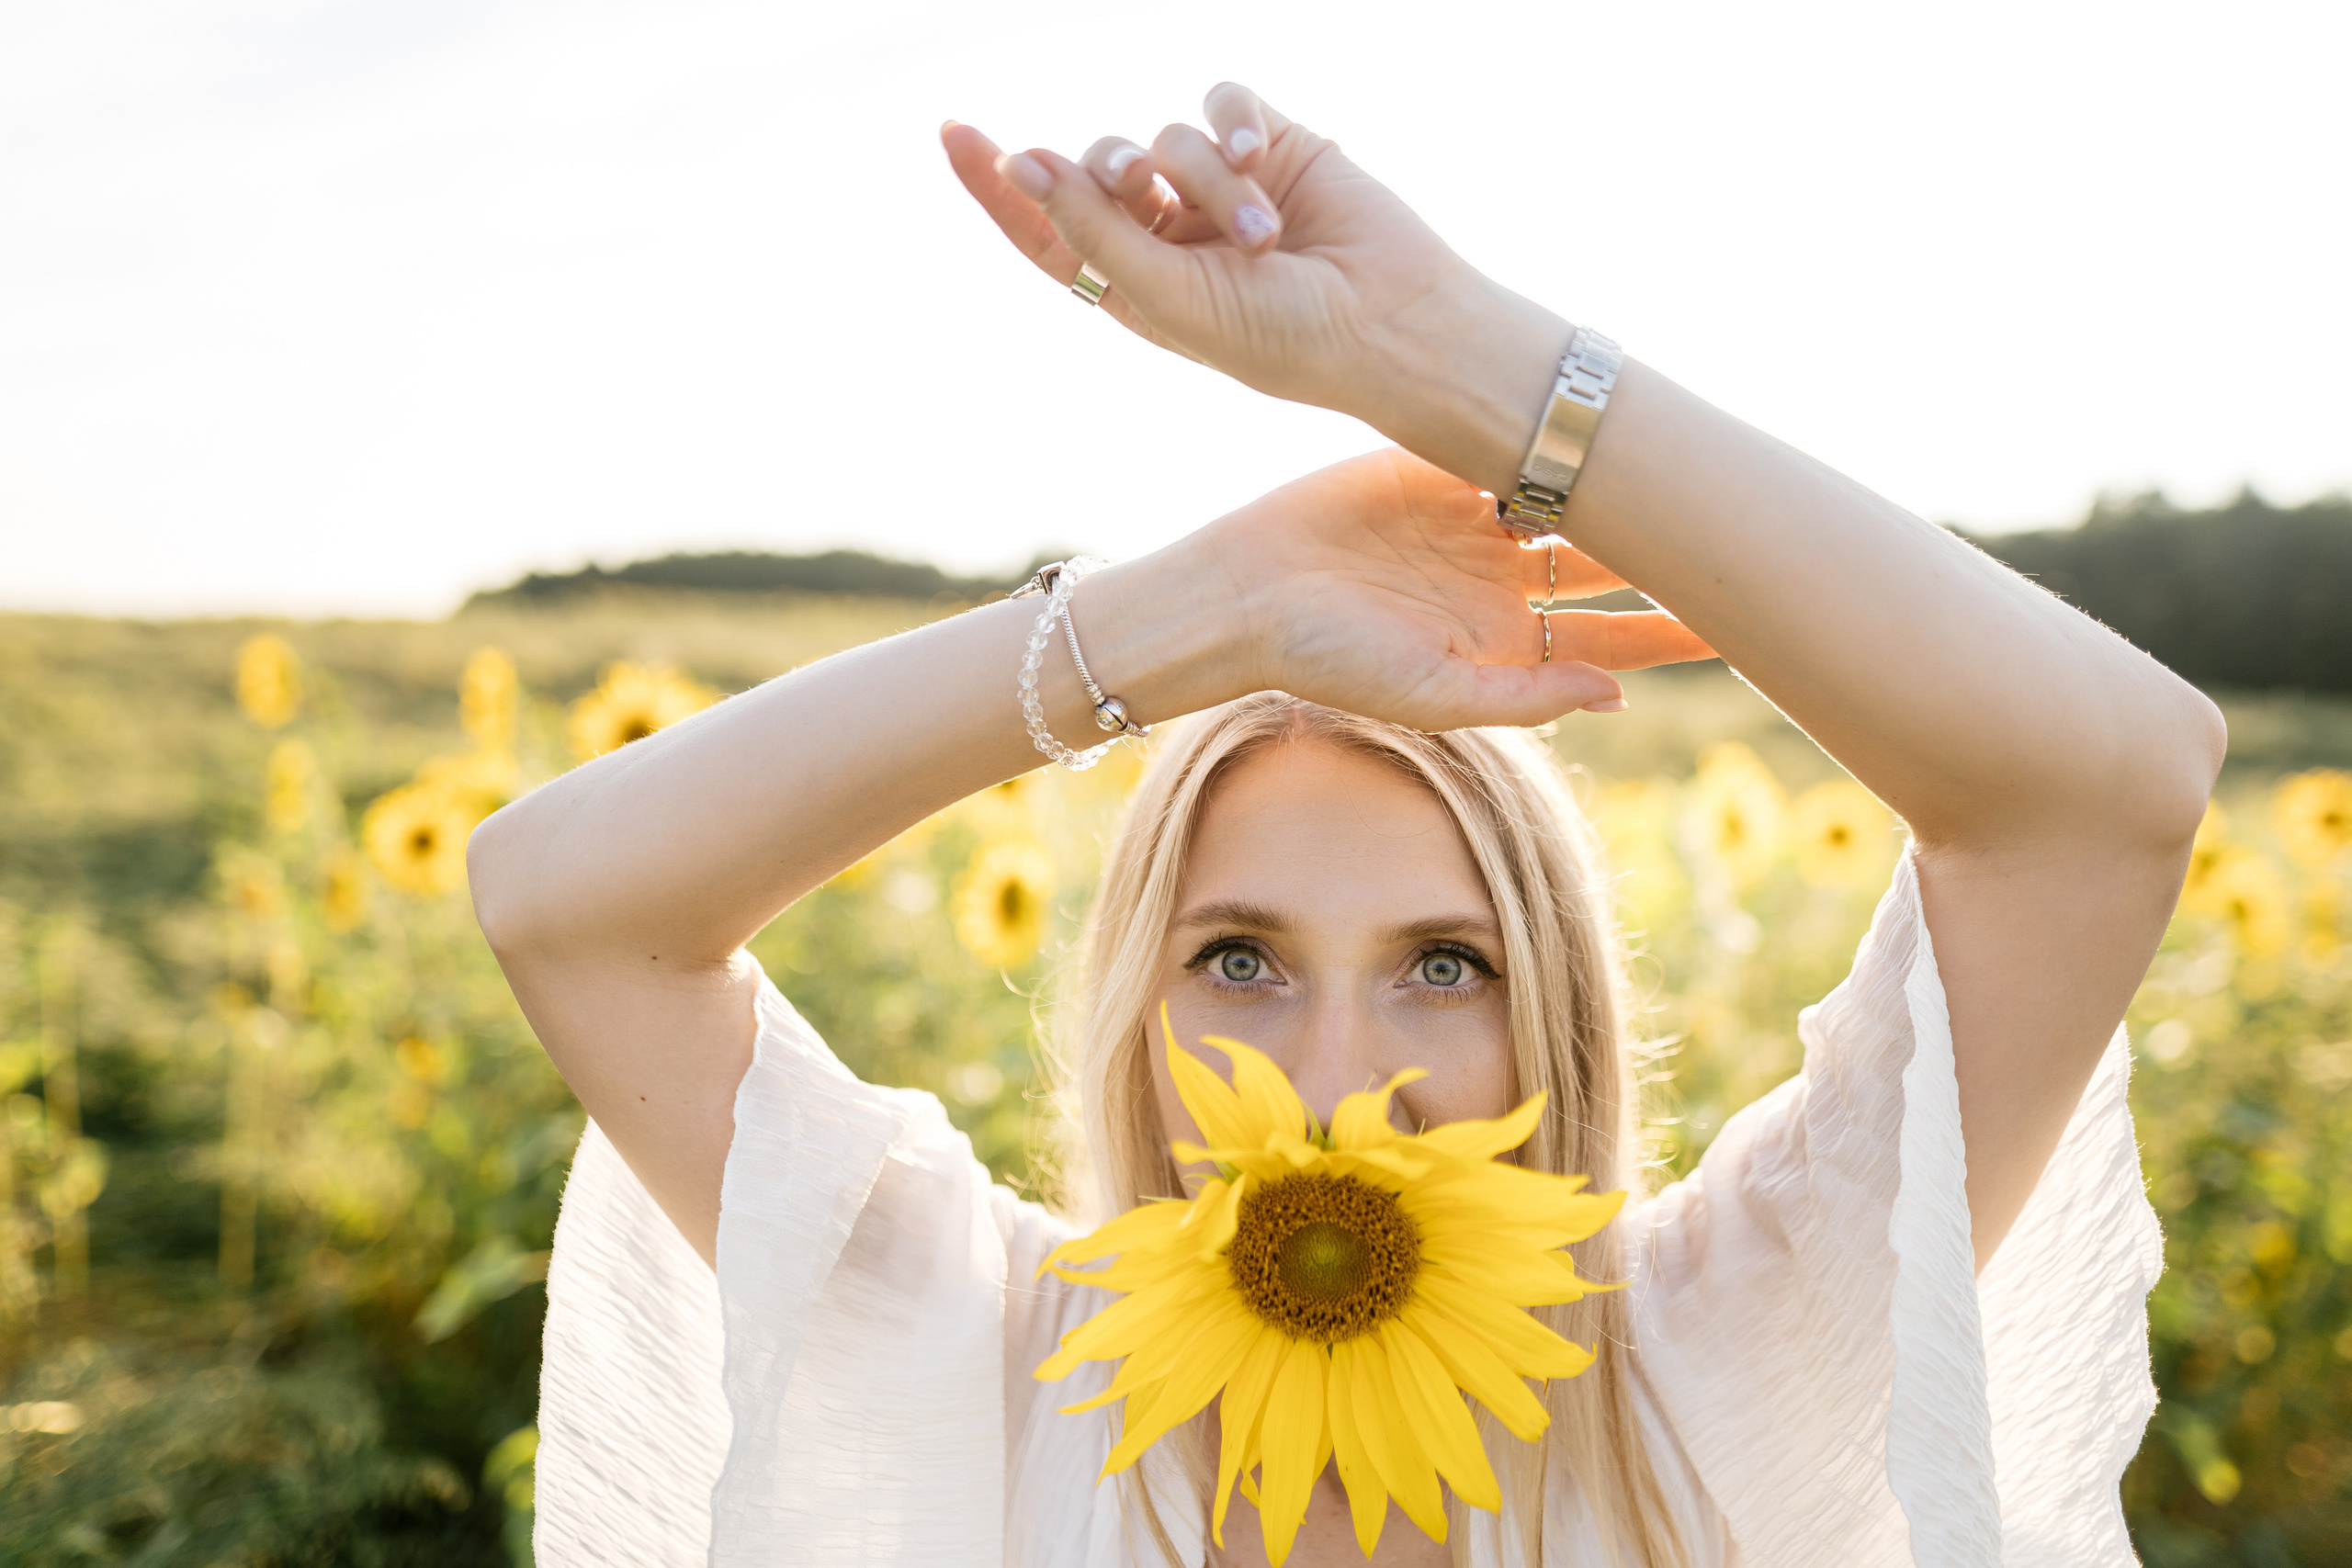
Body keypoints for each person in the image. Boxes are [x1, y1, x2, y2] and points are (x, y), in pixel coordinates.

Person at [469, 83, 2222, 1568]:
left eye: (1444, 968)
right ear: (1127, 999)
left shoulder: (1719, 1347)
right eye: (1238, 956)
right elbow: (564, 905)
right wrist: (1188, 612)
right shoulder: (989, 1351)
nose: (1330, 1075)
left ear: (1562, 1005)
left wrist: (1446, 358)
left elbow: (2109, 790)